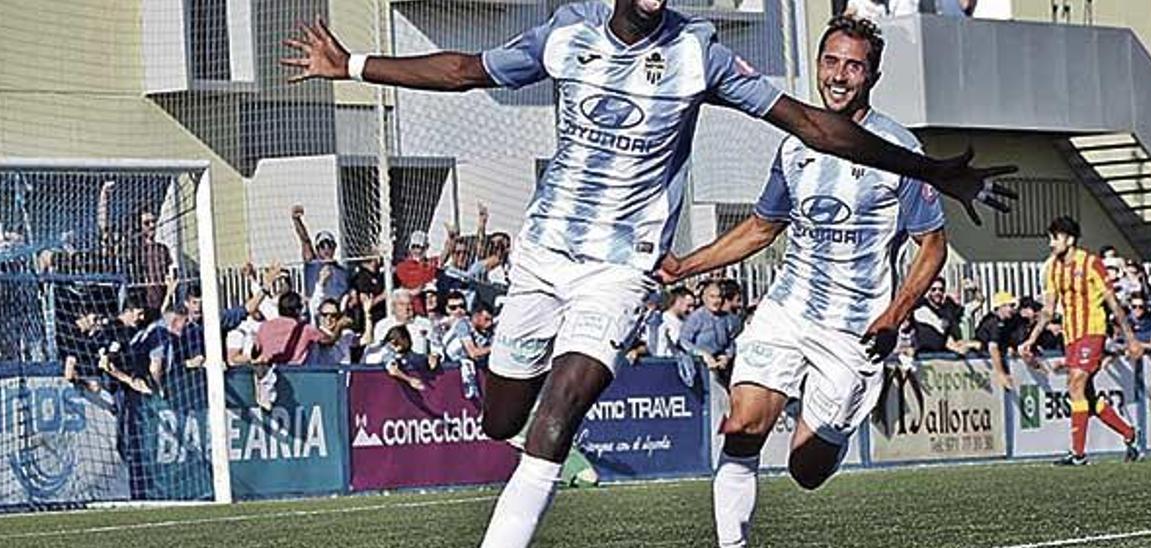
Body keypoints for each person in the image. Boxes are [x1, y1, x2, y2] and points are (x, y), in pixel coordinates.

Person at [282, 3, 1015, 545]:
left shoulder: (701, 55)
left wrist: (931, 171)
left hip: (620, 270)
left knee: (565, 407)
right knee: (503, 418)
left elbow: (810, 125)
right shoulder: (567, 35)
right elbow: (466, 72)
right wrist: (351, 65)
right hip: (541, 259)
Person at [658, 15, 950, 546]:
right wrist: (685, 266)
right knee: (741, 427)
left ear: (873, 76)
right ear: (817, 66)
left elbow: (932, 246)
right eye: (831, 62)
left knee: (807, 470)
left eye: (854, 66)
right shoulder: (795, 145)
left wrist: (894, 316)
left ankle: (828, 419)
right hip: (788, 311)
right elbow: (762, 228)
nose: (839, 76)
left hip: (854, 330)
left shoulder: (898, 151)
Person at [1021, 216, 1144, 466]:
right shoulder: (1053, 268)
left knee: (1075, 383)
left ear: (1070, 239)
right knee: (1085, 396)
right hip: (1071, 336)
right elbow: (1048, 309)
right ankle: (1130, 434)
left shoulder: (1091, 263)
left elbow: (1113, 303)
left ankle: (1078, 454)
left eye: (1054, 238)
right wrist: (1030, 341)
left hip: (1093, 331)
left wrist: (1131, 339)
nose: (1050, 243)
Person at [291, 205, 350, 309]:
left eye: (329, 245)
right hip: (316, 309)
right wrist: (297, 220)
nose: (326, 249)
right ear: (317, 249)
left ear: (335, 247)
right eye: (322, 246)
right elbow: (305, 241)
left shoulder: (342, 271)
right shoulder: (313, 264)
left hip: (336, 312)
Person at [974, 291, 1023, 389]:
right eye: (1011, 305)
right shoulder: (993, 322)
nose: (1013, 309)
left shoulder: (1007, 321)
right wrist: (1001, 374)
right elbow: (993, 349)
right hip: (983, 365)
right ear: (1001, 306)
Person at [653, 287, 695, 358]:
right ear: (678, 302)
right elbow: (681, 343)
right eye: (689, 306)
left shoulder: (685, 322)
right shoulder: (662, 320)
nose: (691, 310)